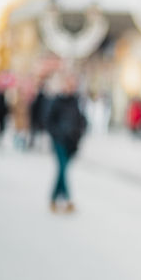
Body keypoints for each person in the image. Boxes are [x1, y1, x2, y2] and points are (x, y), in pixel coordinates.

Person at [45, 72, 86, 213]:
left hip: (71, 142)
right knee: (62, 169)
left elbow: (82, 120)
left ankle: (53, 198)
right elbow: (49, 121)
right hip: (59, 141)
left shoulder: (76, 102)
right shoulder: (57, 101)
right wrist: (58, 133)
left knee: (63, 170)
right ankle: (67, 199)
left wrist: (79, 133)